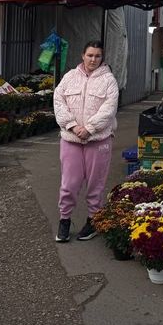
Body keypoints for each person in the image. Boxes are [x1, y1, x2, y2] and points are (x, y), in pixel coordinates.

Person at [52, 40, 119, 243]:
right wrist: (72, 126)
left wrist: (89, 128)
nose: (93, 59)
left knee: (95, 184)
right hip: (71, 140)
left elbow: (109, 108)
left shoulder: (109, 81)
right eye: (90, 55)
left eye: (97, 56)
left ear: (102, 58)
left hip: (98, 141)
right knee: (69, 184)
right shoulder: (69, 77)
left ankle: (93, 220)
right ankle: (65, 220)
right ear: (82, 55)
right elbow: (58, 100)